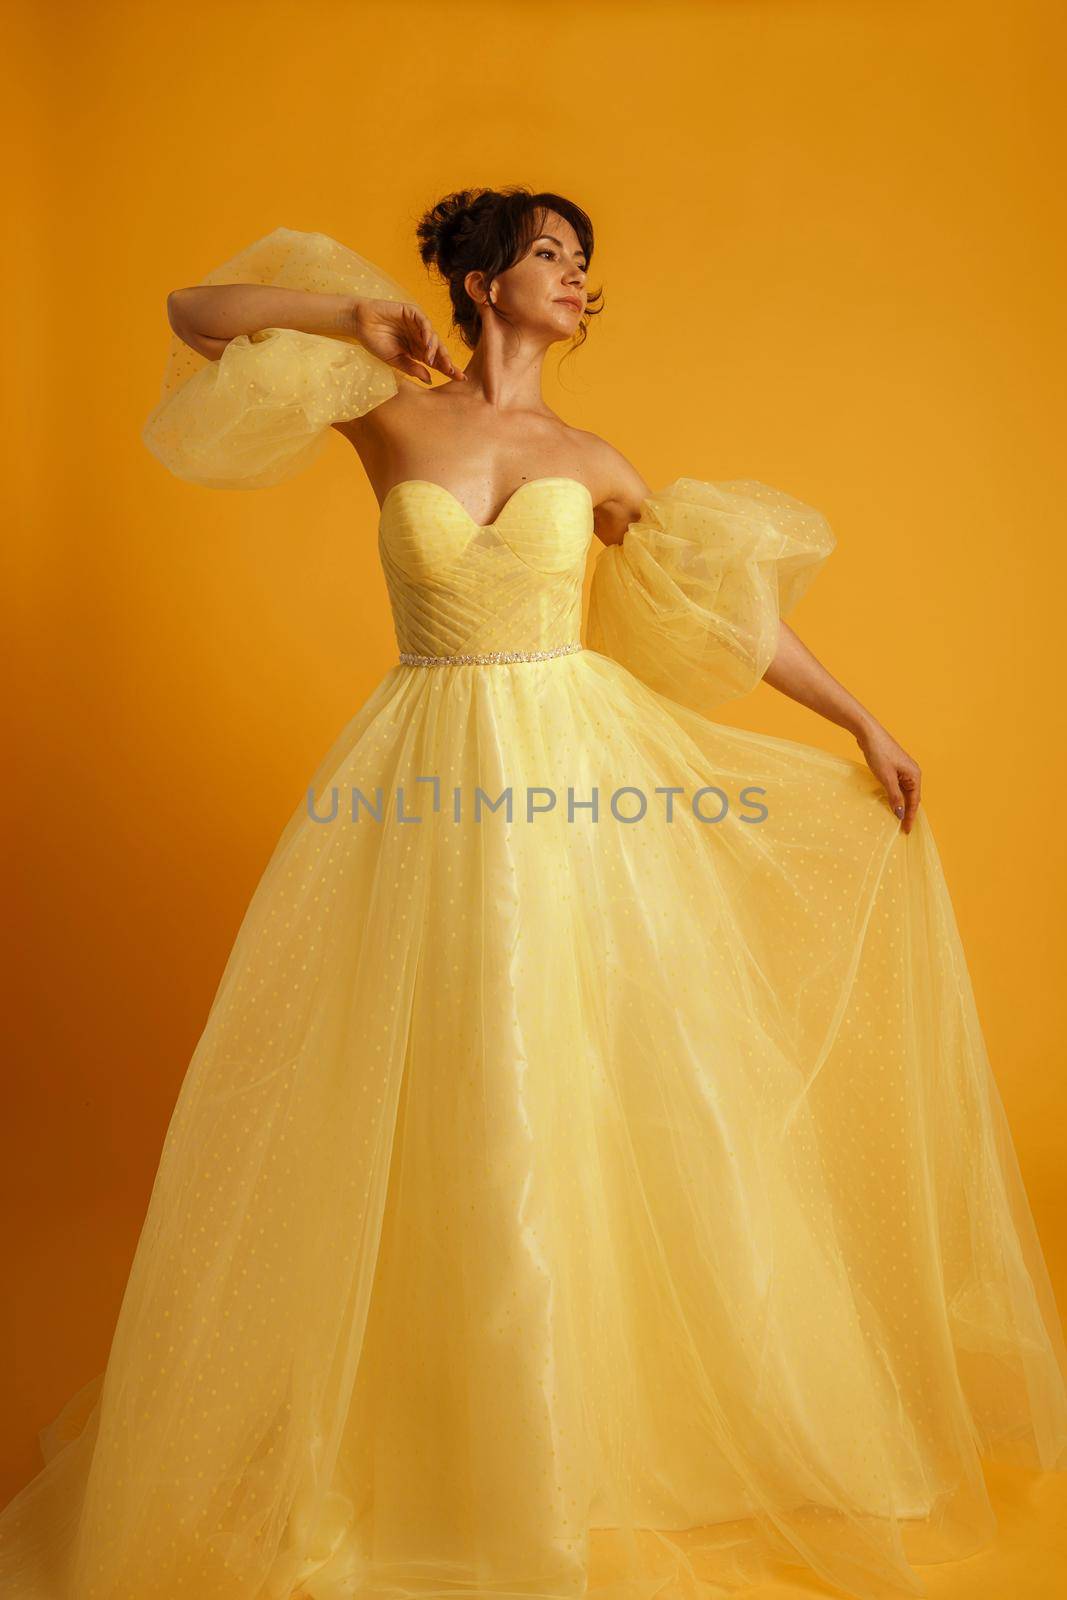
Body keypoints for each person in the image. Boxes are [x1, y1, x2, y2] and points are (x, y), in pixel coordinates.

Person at [1, 185, 1064, 1600]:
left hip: (572, 790)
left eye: (585, 263)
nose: (578, 280)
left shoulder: (591, 458)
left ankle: (565, 1420)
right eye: (552, 256)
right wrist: (344, 314)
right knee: (423, 1075)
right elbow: (195, 320)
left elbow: (729, 616)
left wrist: (862, 723)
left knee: (588, 1075)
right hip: (421, 778)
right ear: (484, 281)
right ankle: (442, 1416)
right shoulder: (386, 407)